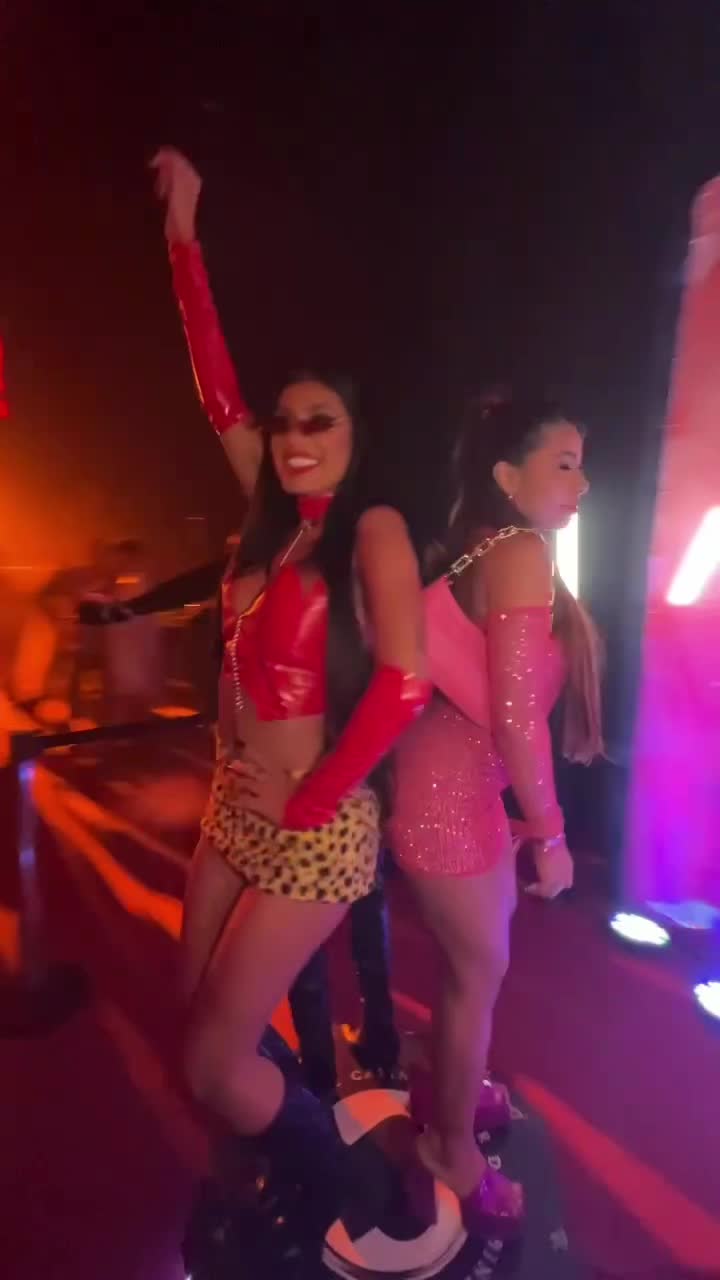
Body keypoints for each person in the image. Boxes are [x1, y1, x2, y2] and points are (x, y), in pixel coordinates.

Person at [149, 146, 430, 1251]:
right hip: (234, 803)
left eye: (323, 422)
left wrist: (313, 797)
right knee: (203, 1022)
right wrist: (183, 238)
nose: (297, 438)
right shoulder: (269, 522)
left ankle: (356, 1190)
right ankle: (292, 1158)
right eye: (287, 423)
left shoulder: (373, 528)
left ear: (355, 436)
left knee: (212, 1057)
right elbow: (217, 388)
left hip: (317, 824)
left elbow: (403, 681)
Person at [390, 394, 604, 1238]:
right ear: (507, 477)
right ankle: (450, 1149)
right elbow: (516, 719)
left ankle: (453, 1090)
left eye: (583, 463)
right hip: (446, 803)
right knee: (477, 976)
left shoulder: (495, 546)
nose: (583, 482)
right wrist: (550, 835)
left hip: (456, 792)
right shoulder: (519, 552)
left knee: (469, 974)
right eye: (565, 464)